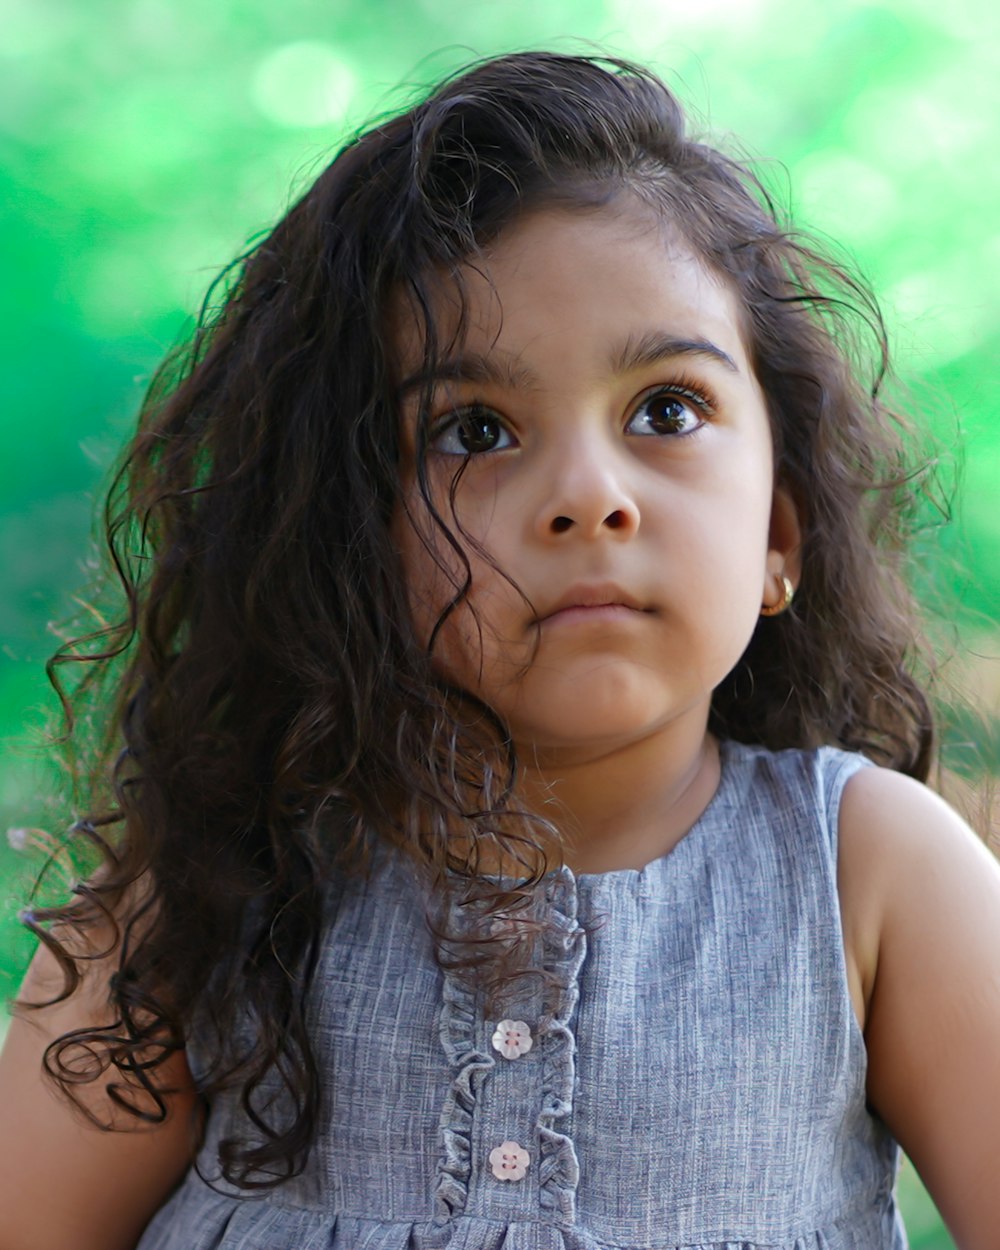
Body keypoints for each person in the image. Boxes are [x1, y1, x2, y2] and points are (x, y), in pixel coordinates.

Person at [2, 49, 999, 1250]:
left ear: (780, 529)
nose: (587, 496)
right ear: (346, 534)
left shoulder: (870, 877)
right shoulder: (210, 883)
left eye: (665, 409)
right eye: (474, 429)